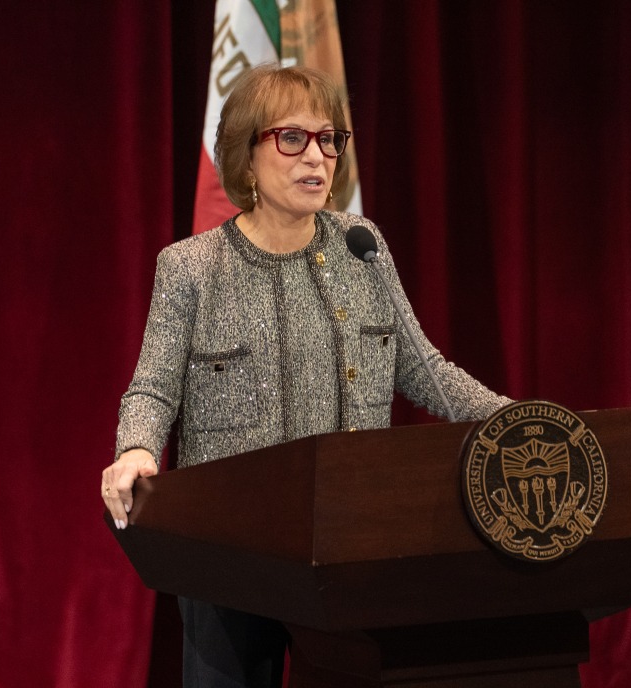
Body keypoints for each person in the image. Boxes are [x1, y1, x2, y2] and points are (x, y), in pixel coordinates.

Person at [100, 64, 511, 688]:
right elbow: (153, 387)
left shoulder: (360, 245)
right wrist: (134, 449)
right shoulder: (190, 268)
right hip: (229, 545)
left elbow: (426, 370)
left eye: (329, 139)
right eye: (292, 138)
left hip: (349, 540)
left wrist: (519, 418)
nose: (316, 156)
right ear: (246, 154)